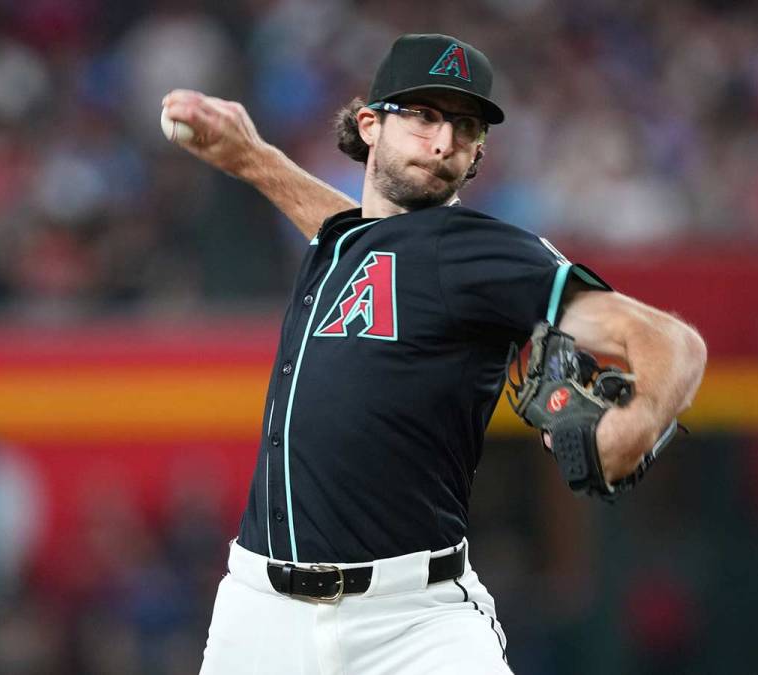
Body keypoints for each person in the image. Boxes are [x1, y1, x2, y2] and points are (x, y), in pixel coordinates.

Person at [162, 33, 707, 675]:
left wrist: (638, 422)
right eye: (422, 116)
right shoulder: (351, 243)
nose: (443, 141)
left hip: (414, 624)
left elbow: (674, 342)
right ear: (369, 124)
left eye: (465, 127)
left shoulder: (474, 252)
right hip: (259, 612)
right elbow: (363, 237)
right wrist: (251, 158)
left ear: (478, 153)